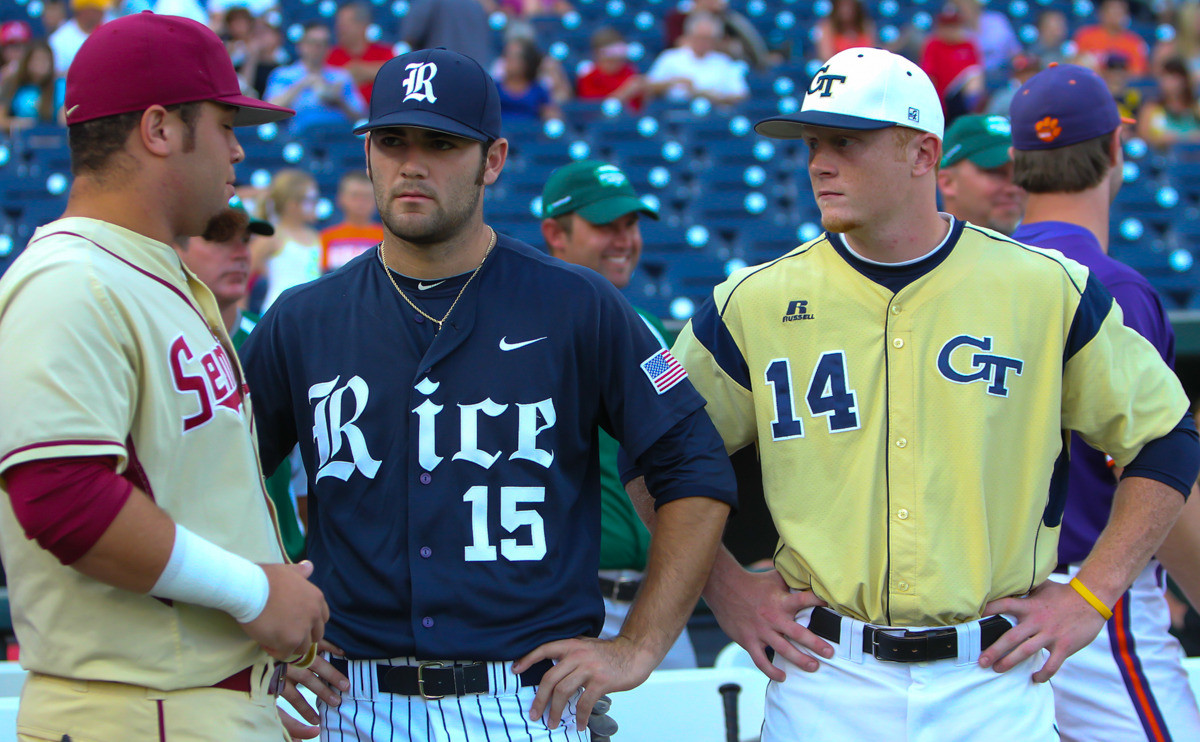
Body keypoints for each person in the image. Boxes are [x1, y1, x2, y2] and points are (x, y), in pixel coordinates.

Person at [627, 47, 1199, 741]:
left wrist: (1092, 594)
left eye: (848, 141)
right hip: (826, 677)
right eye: (813, 143)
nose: (819, 162)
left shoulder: (1046, 289)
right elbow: (658, 450)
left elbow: (1164, 437)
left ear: (923, 153)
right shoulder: (754, 301)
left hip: (991, 676)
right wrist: (722, 587)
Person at [240, 47, 736, 740]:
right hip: (348, 698)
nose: (411, 163)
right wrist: (255, 623)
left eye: (441, 143)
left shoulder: (577, 304)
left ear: (493, 159)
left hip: (522, 700)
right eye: (391, 141)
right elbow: (211, 474)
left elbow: (695, 465)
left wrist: (639, 645)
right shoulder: (302, 317)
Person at [0, 12, 329, 741]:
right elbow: (64, 500)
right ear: (159, 130)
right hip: (134, 711)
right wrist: (254, 593)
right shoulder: (69, 280)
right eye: (224, 125)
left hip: (183, 703)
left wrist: (256, 649)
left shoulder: (148, 278)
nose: (239, 152)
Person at [1008, 62, 1200, 742]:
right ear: (1117, 148)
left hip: (978, 610)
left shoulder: (974, 279)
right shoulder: (1114, 287)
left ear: (1016, 163)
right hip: (1091, 599)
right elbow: (1151, 472)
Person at [539, 160, 698, 669]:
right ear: (554, 234)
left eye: (631, 225)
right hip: (564, 602)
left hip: (656, 601)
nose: (624, 240)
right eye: (605, 225)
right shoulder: (520, 332)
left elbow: (690, 461)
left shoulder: (649, 328)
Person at [173, 200, 308, 565]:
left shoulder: (277, 338)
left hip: (287, 568)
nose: (239, 252)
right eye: (218, 237)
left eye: (246, 239)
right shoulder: (153, 343)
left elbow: (302, 479)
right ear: (172, 245)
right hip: (193, 579)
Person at [264, 21, 366, 135]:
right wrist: (302, 85)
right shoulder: (283, 74)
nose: (318, 48)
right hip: (302, 138)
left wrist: (339, 100)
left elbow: (361, 117)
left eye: (323, 43)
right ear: (301, 46)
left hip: (339, 135)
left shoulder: (341, 77)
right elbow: (269, 110)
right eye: (313, 42)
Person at [936, 113, 1025, 236]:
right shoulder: (910, 252)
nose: (1014, 188)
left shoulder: (1047, 252)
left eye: (1021, 172)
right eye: (996, 172)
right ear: (947, 182)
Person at [250, 168, 322, 311]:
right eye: (310, 199)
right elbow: (245, 273)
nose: (315, 205)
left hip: (310, 314)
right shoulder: (273, 235)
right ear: (292, 204)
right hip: (277, 312)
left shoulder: (315, 236)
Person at [646, 12, 748, 106]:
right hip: (676, 113)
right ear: (689, 36)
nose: (703, 43)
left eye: (708, 39)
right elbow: (648, 87)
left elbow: (740, 94)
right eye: (699, 37)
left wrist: (710, 95)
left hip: (714, 116)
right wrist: (673, 82)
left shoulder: (723, 62)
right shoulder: (670, 57)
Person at [920, 4, 985, 124]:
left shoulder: (968, 45)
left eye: (953, 26)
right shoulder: (933, 45)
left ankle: (973, 117)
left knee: (975, 76)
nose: (950, 30)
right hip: (941, 98)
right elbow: (930, 75)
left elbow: (975, 73)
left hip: (961, 98)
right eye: (946, 26)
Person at [318, 170, 384, 272]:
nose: (361, 202)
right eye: (355, 196)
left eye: (367, 196)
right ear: (341, 198)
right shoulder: (325, 238)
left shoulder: (387, 239)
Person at [326, 1, 392, 103]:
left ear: (363, 26)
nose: (339, 29)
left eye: (345, 25)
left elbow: (396, 74)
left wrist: (360, 70)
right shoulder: (330, 55)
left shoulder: (385, 52)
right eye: (338, 25)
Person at [402, 0, 494, 70]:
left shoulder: (429, 2)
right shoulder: (478, 5)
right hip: (474, 73)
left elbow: (411, 35)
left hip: (438, 71)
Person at [576, 27, 645, 111]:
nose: (616, 62)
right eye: (610, 59)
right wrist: (625, 92)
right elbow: (593, 110)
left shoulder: (629, 71)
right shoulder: (588, 76)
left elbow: (641, 106)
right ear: (598, 55)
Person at [494, 37, 563, 122]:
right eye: (505, 56)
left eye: (512, 57)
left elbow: (553, 115)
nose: (506, 61)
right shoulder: (493, 89)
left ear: (526, 62)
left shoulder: (538, 91)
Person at [1137, 56, 1200, 149]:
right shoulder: (1151, 108)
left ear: (1185, 80)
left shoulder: (1196, 107)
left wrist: (1191, 137)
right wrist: (1159, 140)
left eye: (1174, 78)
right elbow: (1141, 139)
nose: (1169, 82)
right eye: (1165, 77)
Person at [0, 41, 65, 130]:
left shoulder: (60, 87)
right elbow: (1, 120)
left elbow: (64, 123)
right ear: (27, 61)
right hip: (19, 138)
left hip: (50, 138)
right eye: (36, 59)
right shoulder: (13, 83)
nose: (41, 64)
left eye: (45, 60)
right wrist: (17, 123)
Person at [1074, 0, 1149, 76]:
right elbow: (1077, 64)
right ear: (1102, 13)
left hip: (1122, 86)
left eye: (1120, 11)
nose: (1116, 14)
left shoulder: (1134, 42)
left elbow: (1137, 72)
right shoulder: (1086, 35)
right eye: (1113, 10)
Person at [49, 0, 109, 75]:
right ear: (82, 11)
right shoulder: (59, 40)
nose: (102, 14)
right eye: (96, 10)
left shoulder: (110, 31)